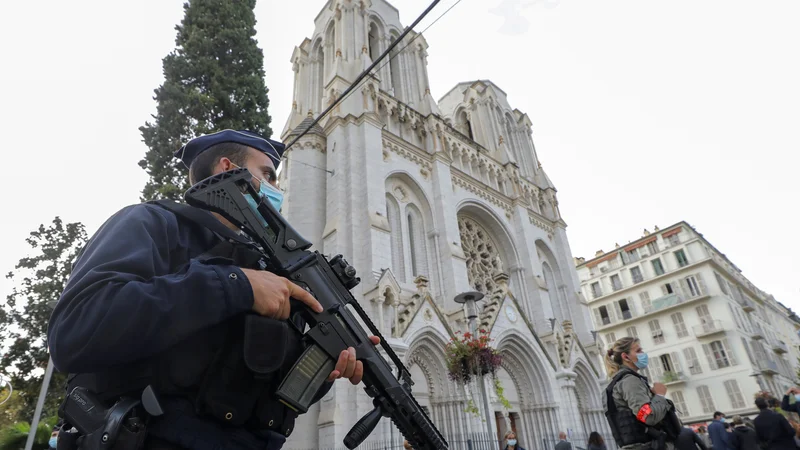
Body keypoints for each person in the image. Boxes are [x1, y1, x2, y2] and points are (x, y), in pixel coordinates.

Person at [47, 130, 380, 450]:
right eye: (268, 174)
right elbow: (76, 327)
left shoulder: (268, 271)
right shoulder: (154, 223)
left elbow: (262, 393)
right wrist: (237, 286)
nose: (278, 188)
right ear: (228, 169)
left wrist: (323, 366)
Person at [603, 337, 681, 450]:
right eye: (638, 351)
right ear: (626, 357)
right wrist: (659, 395)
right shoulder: (630, 380)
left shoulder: (615, 383)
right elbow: (646, 416)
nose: (643, 354)